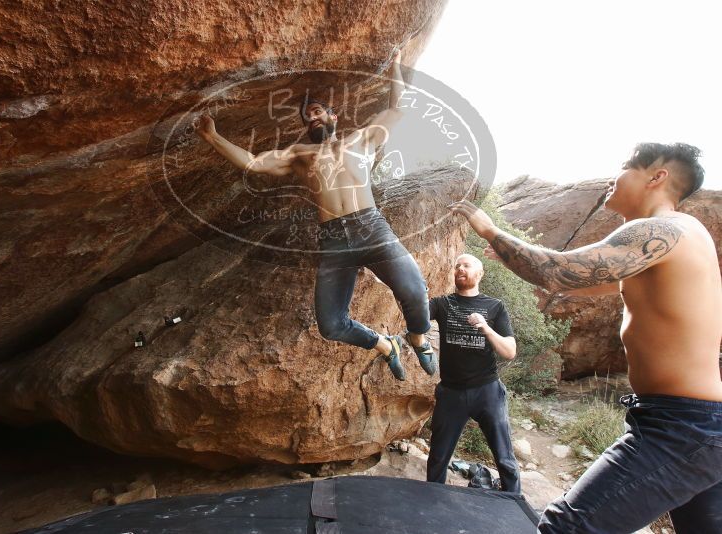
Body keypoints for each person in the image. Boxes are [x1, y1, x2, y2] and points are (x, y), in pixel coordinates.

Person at [452, 142, 722, 533]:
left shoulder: (662, 229)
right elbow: (576, 286)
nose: (617, 174)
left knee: (567, 527)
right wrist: (514, 255)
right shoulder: (681, 237)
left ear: (657, 176)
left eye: (628, 165)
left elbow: (557, 273)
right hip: (697, 424)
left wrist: (491, 231)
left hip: (681, 428)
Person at [194, 51, 436, 380]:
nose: (313, 118)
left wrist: (394, 64)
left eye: (318, 111)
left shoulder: (361, 140)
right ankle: (385, 345)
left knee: (414, 289)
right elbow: (252, 161)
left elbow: (397, 109)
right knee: (331, 325)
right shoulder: (299, 155)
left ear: (334, 117)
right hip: (335, 239)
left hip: (372, 227)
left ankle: (418, 340)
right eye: (308, 117)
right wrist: (212, 136)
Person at [425, 253, 520, 492]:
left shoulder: (495, 306)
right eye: (457, 266)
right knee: (438, 457)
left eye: (467, 265)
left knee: (504, 457)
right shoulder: (442, 304)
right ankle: (431, 501)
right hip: (451, 393)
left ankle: (514, 502)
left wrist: (485, 327)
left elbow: (509, 351)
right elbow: (414, 312)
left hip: (487, 390)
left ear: (480, 273)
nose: (460, 269)